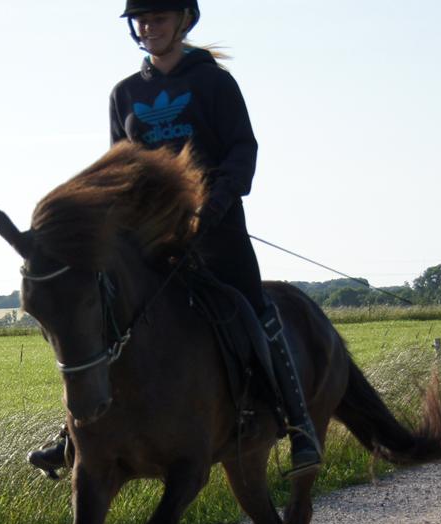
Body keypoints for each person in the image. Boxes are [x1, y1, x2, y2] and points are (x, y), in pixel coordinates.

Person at [28, 0, 321, 478]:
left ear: (184, 20)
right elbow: (118, 167)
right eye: (141, 20)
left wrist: (212, 205)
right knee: (103, 312)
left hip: (216, 230)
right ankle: (73, 433)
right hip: (150, 238)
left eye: (159, 18)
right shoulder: (124, 93)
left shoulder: (214, 83)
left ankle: (298, 423)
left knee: (254, 309)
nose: (149, 27)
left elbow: (242, 149)